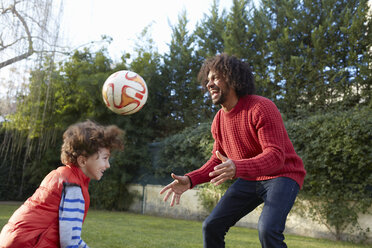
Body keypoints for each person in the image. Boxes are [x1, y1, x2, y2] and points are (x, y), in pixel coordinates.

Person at [160, 53, 306, 248]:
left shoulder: (261, 107)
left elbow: (276, 157)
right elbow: (217, 159)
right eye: (208, 80)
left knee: (268, 230)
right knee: (211, 226)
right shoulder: (219, 120)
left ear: (233, 78)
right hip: (250, 179)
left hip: (283, 175)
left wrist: (237, 167)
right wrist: (191, 179)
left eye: (216, 78)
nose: (209, 84)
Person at [0, 120, 124, 248]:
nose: (108, 165)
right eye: (105, 158)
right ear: (82, 161)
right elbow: (70, 242)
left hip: (13, 237)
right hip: (29, 243)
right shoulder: (73, 188)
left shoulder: (59, 175)